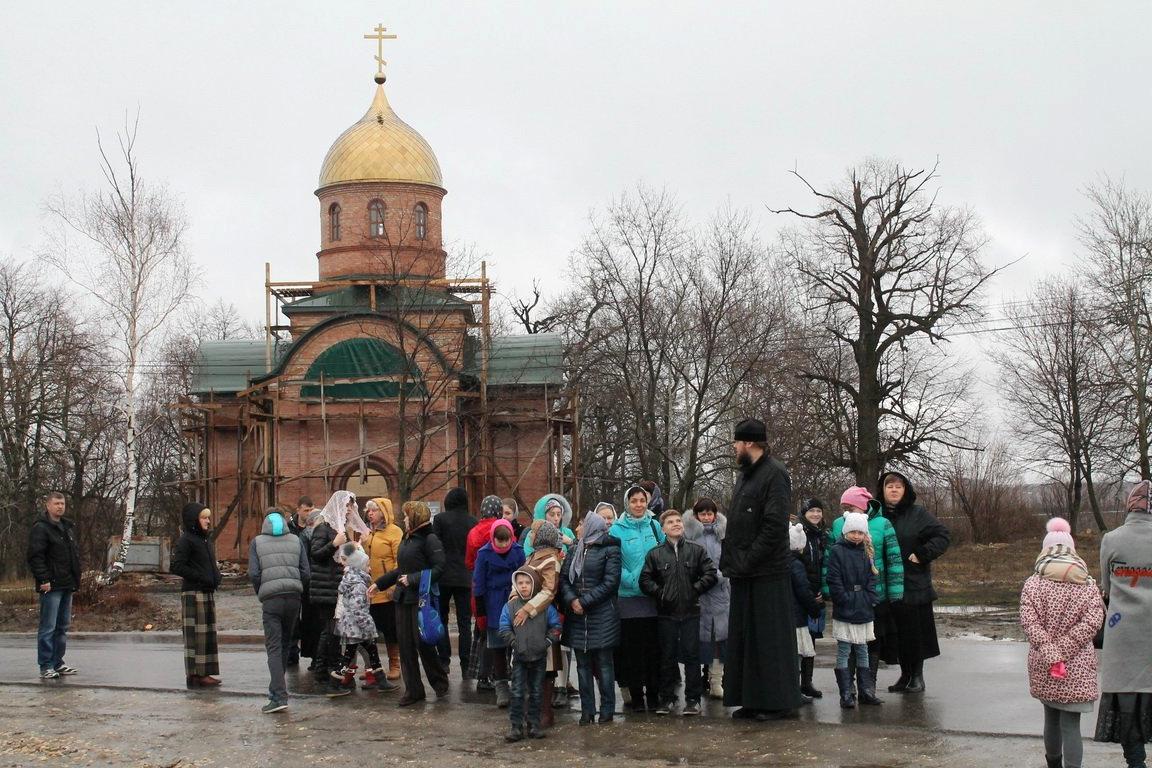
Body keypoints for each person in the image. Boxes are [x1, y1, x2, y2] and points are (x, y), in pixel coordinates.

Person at [720, 418, 801, 720]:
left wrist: (749, 559)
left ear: (749, 443)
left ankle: (778, 702)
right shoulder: (745, 475)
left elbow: (773, 526)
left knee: (769, 640)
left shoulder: (775, 474)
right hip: (744, 570)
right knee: (746, 638)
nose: (734, 447)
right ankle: (752, 699)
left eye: (737, 442)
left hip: (767, 571)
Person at [1019, 517, 1104, 768]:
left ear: (1045, 549)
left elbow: (1029, 622)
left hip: (1045, 665)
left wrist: (1051, 652)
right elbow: (1093, 622)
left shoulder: (1033, 584)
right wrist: (1064, 650)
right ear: (1072, 551)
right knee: (1071, 726)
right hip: (1077, 667)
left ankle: (1053, 765)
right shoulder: (1088, 585)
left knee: (1051, 718)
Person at [823, 486, 904, 697]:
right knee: (848, 642)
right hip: (847, 596)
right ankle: (847, 687)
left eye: (850, 506)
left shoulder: (883, 523)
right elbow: (829, 560)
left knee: (871, 641)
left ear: (862, 506)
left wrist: (895, 591)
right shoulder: (839, 524)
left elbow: (893, 557)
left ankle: (868, 688)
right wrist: (828, 590)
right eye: (844, 507)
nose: (846, 510)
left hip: (874, 594)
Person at [368, 501, 449, 706]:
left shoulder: (430, 539)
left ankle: (439, 682)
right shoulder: (407, 538)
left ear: (414, 517)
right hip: (402, 599)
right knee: (405, 646)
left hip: (421, 599)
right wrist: (379, 584)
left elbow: (440, 568)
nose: (403, 519)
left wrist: (413, 579)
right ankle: (413, 691)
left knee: (423, 643)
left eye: (406, 515)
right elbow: (399, 570)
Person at [876, 471, 950, 693]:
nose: (894, 490)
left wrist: (922, 554)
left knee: (915, 632)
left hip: (913, 582)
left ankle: (917, 677)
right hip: (887, 583)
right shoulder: (877, 515)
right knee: (897, 633)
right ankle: (905, 675)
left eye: (899, 486)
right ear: (882, 490)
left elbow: (942, 535)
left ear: (905, 489)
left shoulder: (917, 513)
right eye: (889, 486)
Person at [1096, 480, 1152, 768]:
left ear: (1129, 506)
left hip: (1123, 634)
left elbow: (1105, 586)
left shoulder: (1111, 539)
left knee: (1128, 701)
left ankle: (1135, 762)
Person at [640, 509, 718, 716]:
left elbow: (711, 573)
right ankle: (667, 698)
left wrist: (695, 589)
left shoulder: (696, 550)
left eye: (678, 521)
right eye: (670, 522)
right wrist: (661, 593)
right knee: (667, 657)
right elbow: (645, 580)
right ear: (663, 528)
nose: (675, 524)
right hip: (666, 614)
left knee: (692, 656)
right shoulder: (655, 553)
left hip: (691, 612)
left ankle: (693, 699)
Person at [559, 510, 621, 725]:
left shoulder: (610, 549)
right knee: (582, 666)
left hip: (601, 615)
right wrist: (572, 600)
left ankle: (607, 710)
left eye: (582, 524)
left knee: (604, 665)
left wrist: (584, 602)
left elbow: (610, 582)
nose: (578, 528)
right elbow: (564, 579)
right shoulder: (575, 548)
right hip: (577, 618)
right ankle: (587, 711)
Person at [248, 509, 311, 713]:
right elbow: (305, 572)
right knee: (284, 644)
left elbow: (255, 574)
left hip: (271, 601)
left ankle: (278, 696)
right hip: (293, 599)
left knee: (274, 647)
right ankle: (277, 691)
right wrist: (295, 587)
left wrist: (262, 592)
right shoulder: (296, 540)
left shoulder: (257, 542)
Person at [610, 484, 665, 712]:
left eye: (642, 500)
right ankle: (636, 697)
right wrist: (634, 579)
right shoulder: (616, 529)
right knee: (632, 651)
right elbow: (613, 562)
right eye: (634, 501)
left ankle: (654, 694)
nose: (639, 505)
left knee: (654, 649)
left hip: (653, 599)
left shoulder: (655, 525)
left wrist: (656, 581)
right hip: (629, 598)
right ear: (627, 504)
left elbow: (665, 553)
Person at [309, 491, 369, 679]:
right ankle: (323, 669)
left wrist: (359, 544)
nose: (350, 510)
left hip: (337, 587)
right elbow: (316, 554)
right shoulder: (324, 528)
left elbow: (347, 558)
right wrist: (334, 544)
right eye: (347, 506)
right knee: (329, 630)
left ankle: (330, 667)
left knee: (334, 630)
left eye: (352, 506)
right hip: (325, 587)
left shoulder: (343, 528)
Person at [499, 567, 563, 742]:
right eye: (520, 583)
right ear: (515, 585)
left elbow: (556, 627)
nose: (524, 586)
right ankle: (516, 727)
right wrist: (515, 643)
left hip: (539, 657)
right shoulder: (510, 606)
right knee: (518, 692)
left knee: (536, 692)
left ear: (534, 584)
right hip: (519, 657)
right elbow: (504, 628)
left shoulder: (544, 607)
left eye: (527, 582)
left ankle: (534, 725)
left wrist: (546, 643)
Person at [826, 511, 881, 709]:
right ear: (846, 532)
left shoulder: (867, 552)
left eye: (860, 532)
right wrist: (846, 599)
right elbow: (834, 580)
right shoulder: (837, 551)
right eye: (853, 532)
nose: (856, 536)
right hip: (846, 606)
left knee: (863, 649)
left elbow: (872, 578)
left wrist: (869, 598)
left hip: (864, 607)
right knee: (844, 650)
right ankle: (846, 693)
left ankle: (866, 691)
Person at [26, 491, 81, 680]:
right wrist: (43, 580)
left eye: (63, 503)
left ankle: (58, 662)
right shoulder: (41, 528)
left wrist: (75, 580)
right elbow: (35, 556)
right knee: (48, 626)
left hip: (67, 584)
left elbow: (72, 556)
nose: (60, 506)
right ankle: (46, 665)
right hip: (51, 585)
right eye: (56, 503)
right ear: (48, 505)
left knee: (62, 626)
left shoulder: (66, 528)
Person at [328, 542, 394, 696]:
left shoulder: (352, 581)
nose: (370, 568)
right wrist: (368, 625)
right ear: (359, 567)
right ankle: (335, 682)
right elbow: (358, 609)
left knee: (372, 650)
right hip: (358, 627)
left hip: (353, 625)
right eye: (367, 565)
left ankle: (381, 680)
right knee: (349, 655)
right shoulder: (358, 584)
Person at [472, 519, 526, 708]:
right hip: (493, 602)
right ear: (493, 539)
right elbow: (478, 583)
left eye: (506, 541)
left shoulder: (518, 551)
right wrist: (481, 614)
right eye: (499, 541)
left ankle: (519, 683)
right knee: (497, 646)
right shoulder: (484, 554)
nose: (503, 545)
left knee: (519, 645)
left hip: (514, 600)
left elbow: (524, 573)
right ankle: (501, 685)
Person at [518, 518, 565, 725]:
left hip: (543, 617)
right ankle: (532, 710)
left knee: (546, 666)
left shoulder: (550, 560)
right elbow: (519, 580)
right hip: (525, 617)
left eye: (533, 531)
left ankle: (545, 712)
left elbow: (549, 590)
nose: (530, 534)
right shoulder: (531, 557)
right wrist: (514, 600)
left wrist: (528, 608)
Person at [171, 501, 222, 688]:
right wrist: (200, 577)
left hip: (206, 591)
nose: (208, 521)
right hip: (194, 592)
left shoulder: (204, 539)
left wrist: (216, 576)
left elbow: (208, 563)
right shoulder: (186, 540)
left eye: (208, 517)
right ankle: (197, 674)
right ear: (194, 520)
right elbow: (176, 565)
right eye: (204, 517)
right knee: (197, 636)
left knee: (206, 635)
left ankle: (201, 673)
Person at [683, 497, 729, 700]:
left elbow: (730, 560)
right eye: (703, 514)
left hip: (720, 593)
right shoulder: (689, 536)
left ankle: (716, 680)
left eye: (710, 513)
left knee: (719, 639)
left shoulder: (724, 535)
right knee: (700, 640)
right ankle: (700, 680)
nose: (707, 517)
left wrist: (720, 576)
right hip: (698, 593)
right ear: (696, 516)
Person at [432, 487, 476, 676]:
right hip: (465, 576)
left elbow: (436, 545)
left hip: (443, 576)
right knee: (465, 622)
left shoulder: (440, 519)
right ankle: (466, 664)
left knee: (441, 618)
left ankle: (444, 660)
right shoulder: (473, 521)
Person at [466, 495, 506, 688]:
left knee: (483, 631)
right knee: (496, 632)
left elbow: (468, 562)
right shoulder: (501, 529)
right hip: (499, 589)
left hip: (478, 588)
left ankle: (482, 675)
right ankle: (493, 675)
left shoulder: (473, 532)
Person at [363, 497, 403, 683]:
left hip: (385, 590)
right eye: (369, 510)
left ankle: (395, 664)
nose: (370, 513)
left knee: (390, 630)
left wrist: (393, 586)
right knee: (369, 631)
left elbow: (399, 561)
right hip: (369, 590)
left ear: (384, 512)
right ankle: (373, 667)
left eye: (374, 510)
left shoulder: (394, 532)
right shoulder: (368, 533)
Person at [788, 523, 823, 705]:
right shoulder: (796, 565)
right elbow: (803, 591)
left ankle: (796, 687)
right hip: (798, 617)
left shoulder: (783, 562)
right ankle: (795, 690)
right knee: (799, 654)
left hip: (788, 616)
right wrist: (814, 609)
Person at [798, 497, 828, 698]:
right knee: (799, 640)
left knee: (812, 639)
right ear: (804, 513)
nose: (815, 514)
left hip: (819, 591)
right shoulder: (798, 534)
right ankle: (794, 682)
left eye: (819, 510)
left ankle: (807, 682)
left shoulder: (824, 536)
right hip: (802, 593)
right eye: (811, 511)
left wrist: (823, 591)